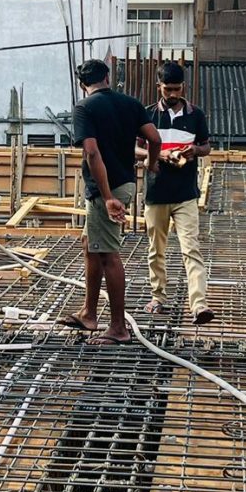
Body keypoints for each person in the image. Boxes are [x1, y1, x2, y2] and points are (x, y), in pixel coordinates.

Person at [62, 59, 161, 347]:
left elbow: (92, 154)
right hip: (124, 183)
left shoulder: (84, 108)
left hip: (107, 190)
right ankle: (89, 313)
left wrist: (107, 197)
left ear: (83, 84)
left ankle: (118, 327)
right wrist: (152, 165)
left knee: (108, 254)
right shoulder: (131, 103)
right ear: (108, 77)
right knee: (91, 247)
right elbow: (154, 138)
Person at [138, 62, 215, 325]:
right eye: (167, 89)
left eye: (177, 89)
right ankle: (158, 297)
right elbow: (133, 149)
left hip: (185, 194)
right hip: (156, 193)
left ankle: (199, 304)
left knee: (190, 248)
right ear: (158, 86)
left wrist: (193, 151)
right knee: (155, 248)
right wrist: (159, 154)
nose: (172, 94)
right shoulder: (147, 115)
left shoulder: (196, 115)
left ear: (183, 87)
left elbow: (206, 146)